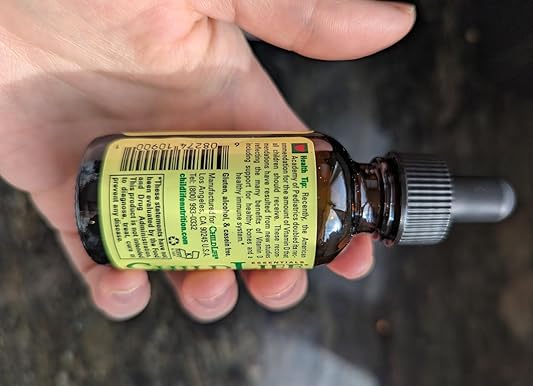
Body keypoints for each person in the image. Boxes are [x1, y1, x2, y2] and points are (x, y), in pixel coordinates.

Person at [0, 0, 415, 322]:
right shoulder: (330, 202)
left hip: (122, 193)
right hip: (122, 190)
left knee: (228, 280)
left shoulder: (331, 215)